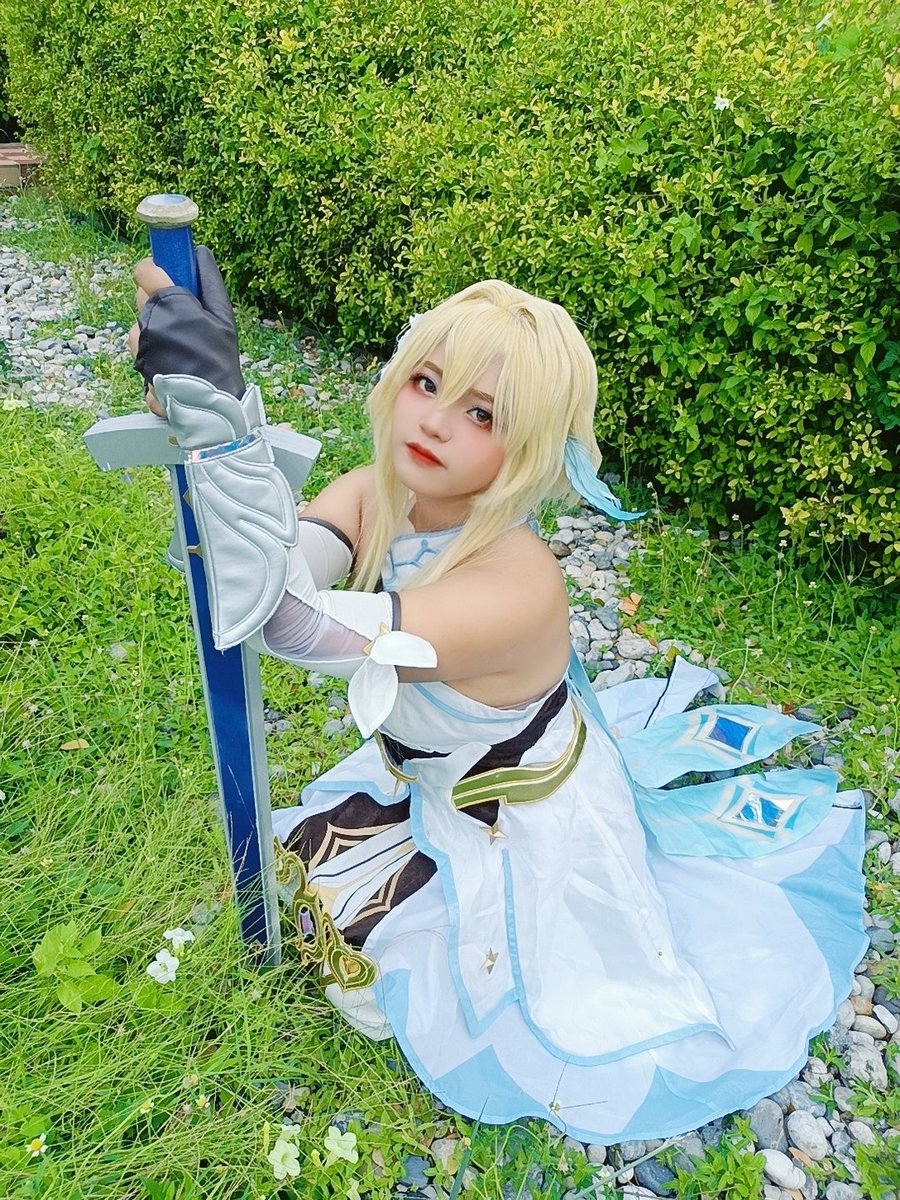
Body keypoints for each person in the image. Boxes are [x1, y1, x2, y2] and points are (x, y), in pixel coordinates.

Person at [130, 252, 866, 1144]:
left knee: (443, 976)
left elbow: (288, 624)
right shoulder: (373, 495)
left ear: (528, 448)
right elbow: (268, 577)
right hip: (427, 773)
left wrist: (224, 433)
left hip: (519, 817)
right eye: (427, 382)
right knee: (321, 879)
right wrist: (207, 418)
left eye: (481, 413)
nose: (436, 422)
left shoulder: (518, 584)